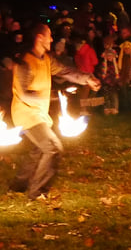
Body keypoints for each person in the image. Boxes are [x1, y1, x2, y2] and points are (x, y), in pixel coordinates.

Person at [9, 21, 99, 201]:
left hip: (40, 114)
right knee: (53, 148)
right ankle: (38, 193)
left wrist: (87, 78)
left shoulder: (47, 59)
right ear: (39, 38)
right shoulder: (24, 63)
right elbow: (25, 95)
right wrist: (54, 97)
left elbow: (65, 71)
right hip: (26, 114)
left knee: (38, 150)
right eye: (48, 35)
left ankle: (18, 185)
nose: (51, 39)